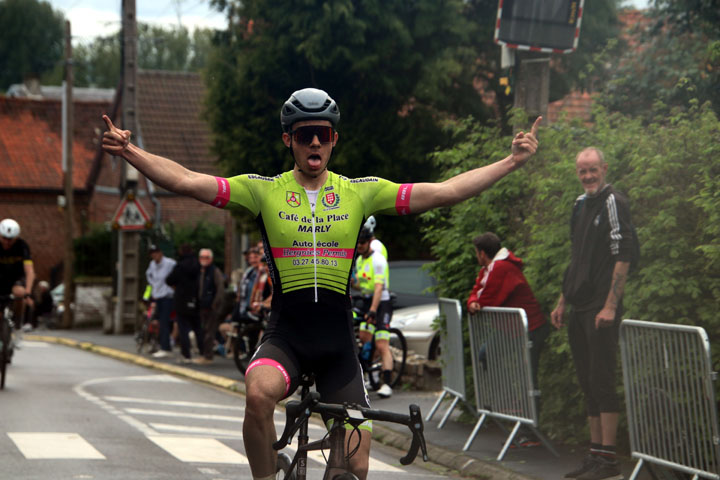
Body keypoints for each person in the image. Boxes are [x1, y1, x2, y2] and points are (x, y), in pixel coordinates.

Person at [102, 87, 540, 480]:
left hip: (337, 348)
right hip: (285, 339)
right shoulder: (263, 190)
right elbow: (186, 181)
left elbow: (443, 191)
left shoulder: (359, 192)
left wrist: (511, 162)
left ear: (334, 140)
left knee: (356, 466)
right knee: (257, 397)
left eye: (324, 134)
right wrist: (130, 153)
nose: (315, 141)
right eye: (305, 132)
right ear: (288, 139)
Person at [550, 147, 633, 480]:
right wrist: (561, 301)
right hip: (579, 305)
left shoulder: (615, 202)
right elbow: (576, 257)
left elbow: (623, 254)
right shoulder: (580, 204)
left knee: (602, 379)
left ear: (604, 168)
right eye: (582, 171)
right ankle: (595, 454)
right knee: (586, 380)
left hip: (601, 308)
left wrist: (611, 305)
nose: (587, 176)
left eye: (592, 170)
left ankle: (609, 459)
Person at [466, 231, 550, 446]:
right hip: (513, 329)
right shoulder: (489, 268)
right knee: (487, 354)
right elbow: (477, 292)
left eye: (476, 253)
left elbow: (487, 297)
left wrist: (476, 303)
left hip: (529, 328)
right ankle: (508, 407)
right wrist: (473, 302)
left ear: (482, 253)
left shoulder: (501, 268)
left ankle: (530, 429)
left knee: (528, 378)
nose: (476, 257)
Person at [352, 227, 394, 398]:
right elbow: (360, 285)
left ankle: (387, 384)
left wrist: (373, 311)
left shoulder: (378, 260)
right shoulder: (360, 260)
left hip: (381, 302)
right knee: (364, 337)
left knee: (382, 343)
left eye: (362, 243)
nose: (359, 246)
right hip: (368, 299)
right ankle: (372, 373)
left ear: (370, 241)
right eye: (357, 243)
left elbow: (378, 288)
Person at [166, 244, 202, 364]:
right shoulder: (197, 264)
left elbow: (169, 279)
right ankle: (202, 353)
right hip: (195, 299)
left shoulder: (180, 266)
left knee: (183, 328)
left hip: (181, 299)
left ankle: (186, 354)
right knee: (198, 327)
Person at [0, 218, 35, 327]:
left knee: (19, 292)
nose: (7, 242)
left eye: (10, 239)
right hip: (1, 278)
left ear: (16, 237)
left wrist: (28, 293)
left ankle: (17, 319)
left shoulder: (22, 246)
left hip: (17, 277)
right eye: (4, 238)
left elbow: (29, 271)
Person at [194, 248, 226, 365]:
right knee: (203, 331)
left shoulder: (214, 271)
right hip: (203, 306)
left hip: (211, 307)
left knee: (209, 332)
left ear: (211, 259)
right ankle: (204, 354)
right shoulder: (201, 271)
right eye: (202, 257)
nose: (204, 260)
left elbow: (220, 289)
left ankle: (208, 356)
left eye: (206, 257)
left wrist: (215, 304)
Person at [145, 244, 177, 358]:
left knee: (164, 322)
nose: (154, 255)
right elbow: (149, 277)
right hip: (157, 296)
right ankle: (160, 344)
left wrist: (172, 288)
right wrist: (150, 292)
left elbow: (176, 276)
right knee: (155, 321)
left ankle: (166, 347)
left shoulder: (170, 263)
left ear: (161, 253)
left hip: (168, 296)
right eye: (152, 253)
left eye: (156, 253)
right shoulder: (152, 265)